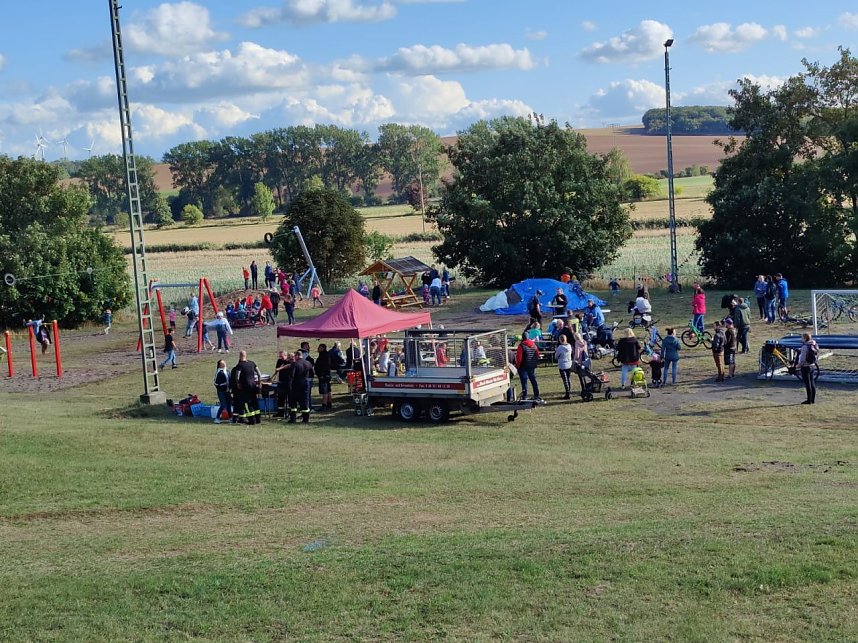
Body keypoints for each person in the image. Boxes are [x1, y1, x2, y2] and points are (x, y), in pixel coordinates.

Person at [232, 350, 262, 425]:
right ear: (246, 355)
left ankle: (252, 420)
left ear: (240, 356)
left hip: (245, 386)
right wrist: (259, 382)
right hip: (253, 385)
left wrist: (238, 384)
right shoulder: (252, 363)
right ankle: (258, 419)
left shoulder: (240, 365)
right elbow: (259, 373)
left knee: (248, 403)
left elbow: (237, 377)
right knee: (255, 402)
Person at [289, 351, 314, 423]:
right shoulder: (308, 363)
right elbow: (312, 374)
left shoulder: (295, 364)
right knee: (305, 401)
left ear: (297, 356)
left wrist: (290, 385)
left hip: (296, 384)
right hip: (305, 384)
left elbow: (291, 376)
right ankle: (306, 419)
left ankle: (293, 419)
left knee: (293, 402)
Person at [515, 335, 542, 401]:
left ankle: (524, 396)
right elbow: (537, 354)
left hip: (523, 367)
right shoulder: (534, 345)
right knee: (533, 381)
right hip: (532, 366)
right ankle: (536, 394)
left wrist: (517, 366)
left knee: (524, 382)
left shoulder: (521, 346)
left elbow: (519, 358)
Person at [797, 332, 819, 404]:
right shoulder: (814, 344)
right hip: (812, 365)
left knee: (807, 384)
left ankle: (808, 400)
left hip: (805, 366)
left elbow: (803, 359)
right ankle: (812, 399)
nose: (801, 339)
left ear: (805, 338)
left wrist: (799, 365)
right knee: (812, 383)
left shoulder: (805, 347)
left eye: (802, 337)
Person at [273, 350, 294, 418]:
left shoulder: (289, 361)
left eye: (282, 356)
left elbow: (289, 365)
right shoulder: (279, 361)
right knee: (281, 398)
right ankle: (280, 413)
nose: (280, 357)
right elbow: (276, 369)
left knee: (289, 398)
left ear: (286, 355)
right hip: (281, 382)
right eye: (280, 356)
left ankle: (289, 413)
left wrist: (281, 368)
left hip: (288, 382)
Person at [555, 334, 573, 400]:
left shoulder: (560, 348)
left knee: (565, 380)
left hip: (562, 365)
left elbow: (556, 357)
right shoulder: (569, 346)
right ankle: (570, 392)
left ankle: (567, 393)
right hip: (569, 364)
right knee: (568, 378)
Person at [213, 360, 231, 424]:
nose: (224, 364)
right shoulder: (219, 372)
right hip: (221, 391)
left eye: (224, 362)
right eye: (222, 363)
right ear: (220, 365)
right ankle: (217, 418)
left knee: (229, 404)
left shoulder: (227, 371)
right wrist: (223, 384)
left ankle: (230, 417)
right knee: (223, 404)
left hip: (227, 390)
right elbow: (216, 383)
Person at [315, 344, 333, 411]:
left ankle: (324, 405)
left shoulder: (323, 355)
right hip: (327, 374)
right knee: (328, 389)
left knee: (324, 390)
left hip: (323, 375)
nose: (318, 348)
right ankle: (329, 403)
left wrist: (320, 375)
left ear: (322, 348)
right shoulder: (326, 355)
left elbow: (322, 366)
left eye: (319, 347)